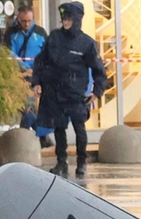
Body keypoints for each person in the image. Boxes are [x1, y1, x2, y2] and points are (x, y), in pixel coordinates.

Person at [34, 1, 105, 176]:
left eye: (69, 19)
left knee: (79, 128)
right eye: (63, 19)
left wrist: (97, 92)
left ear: (77, 19)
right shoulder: (54, 38)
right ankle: (61, 161)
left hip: (75, 94)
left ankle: (82, 162)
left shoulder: (87, 43)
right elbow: (41, 61)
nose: (65, 22)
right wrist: (37, 82)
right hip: (55, 92)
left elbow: (99, 70)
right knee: (59, 128)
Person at [6, 4, 51, 148]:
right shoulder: (11, 33)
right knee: (28, 106)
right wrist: (25, 69)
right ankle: (37, 135)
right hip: (19, 76)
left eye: (29, 21)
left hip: (38, 76)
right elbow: (9, 54)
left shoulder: (41, 33)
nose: (26, 24)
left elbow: (47, 55)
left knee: (34, 107)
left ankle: (34, 135)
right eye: (23, 21)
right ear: (18, 19)